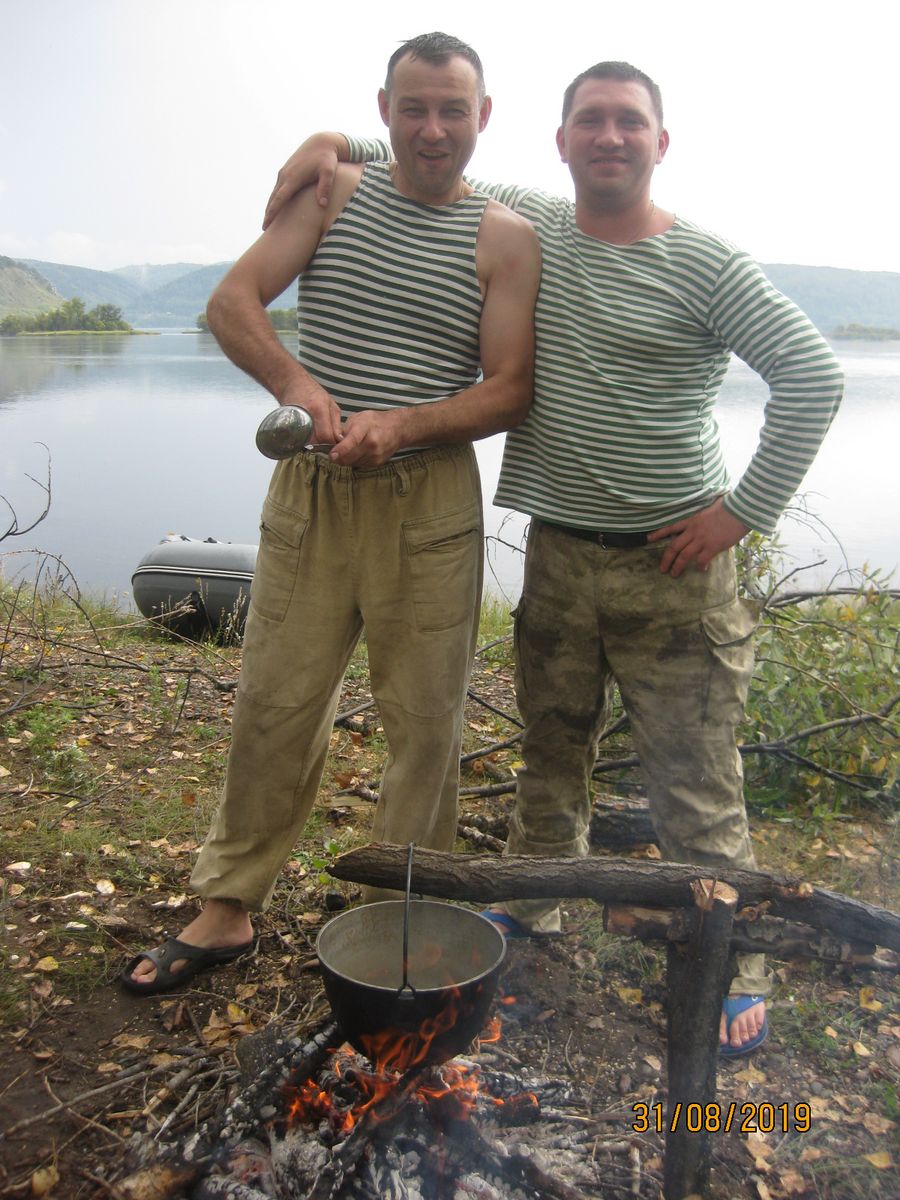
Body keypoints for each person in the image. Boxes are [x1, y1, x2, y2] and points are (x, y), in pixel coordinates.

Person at [264, 60, 843, 1055]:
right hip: (563, 554)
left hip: (676, 567)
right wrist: (334, 143)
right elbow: (431, 156)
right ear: (562, 140)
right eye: (591, 121)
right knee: (550, 753)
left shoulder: (708, 263)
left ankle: (735, 960)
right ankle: (535, 911)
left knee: (696, 775)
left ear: (661, 142)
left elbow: (813, 376)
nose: (609, 137)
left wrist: (740, 515)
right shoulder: (532, 221)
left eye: (630, 122)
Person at [122, 32, 540, 995]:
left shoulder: (505, 238)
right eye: (412, 107)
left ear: (483, 117)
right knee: (275, 700)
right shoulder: (332, 194)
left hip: (430, 500)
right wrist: (297, 384)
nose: (432, 128)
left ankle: (402, 915)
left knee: (426, 724)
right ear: (383, 111)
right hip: (311, 491)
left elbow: (510, 389)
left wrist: (404, 424)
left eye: (453, 109)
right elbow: (233, 303)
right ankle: (228, 904)